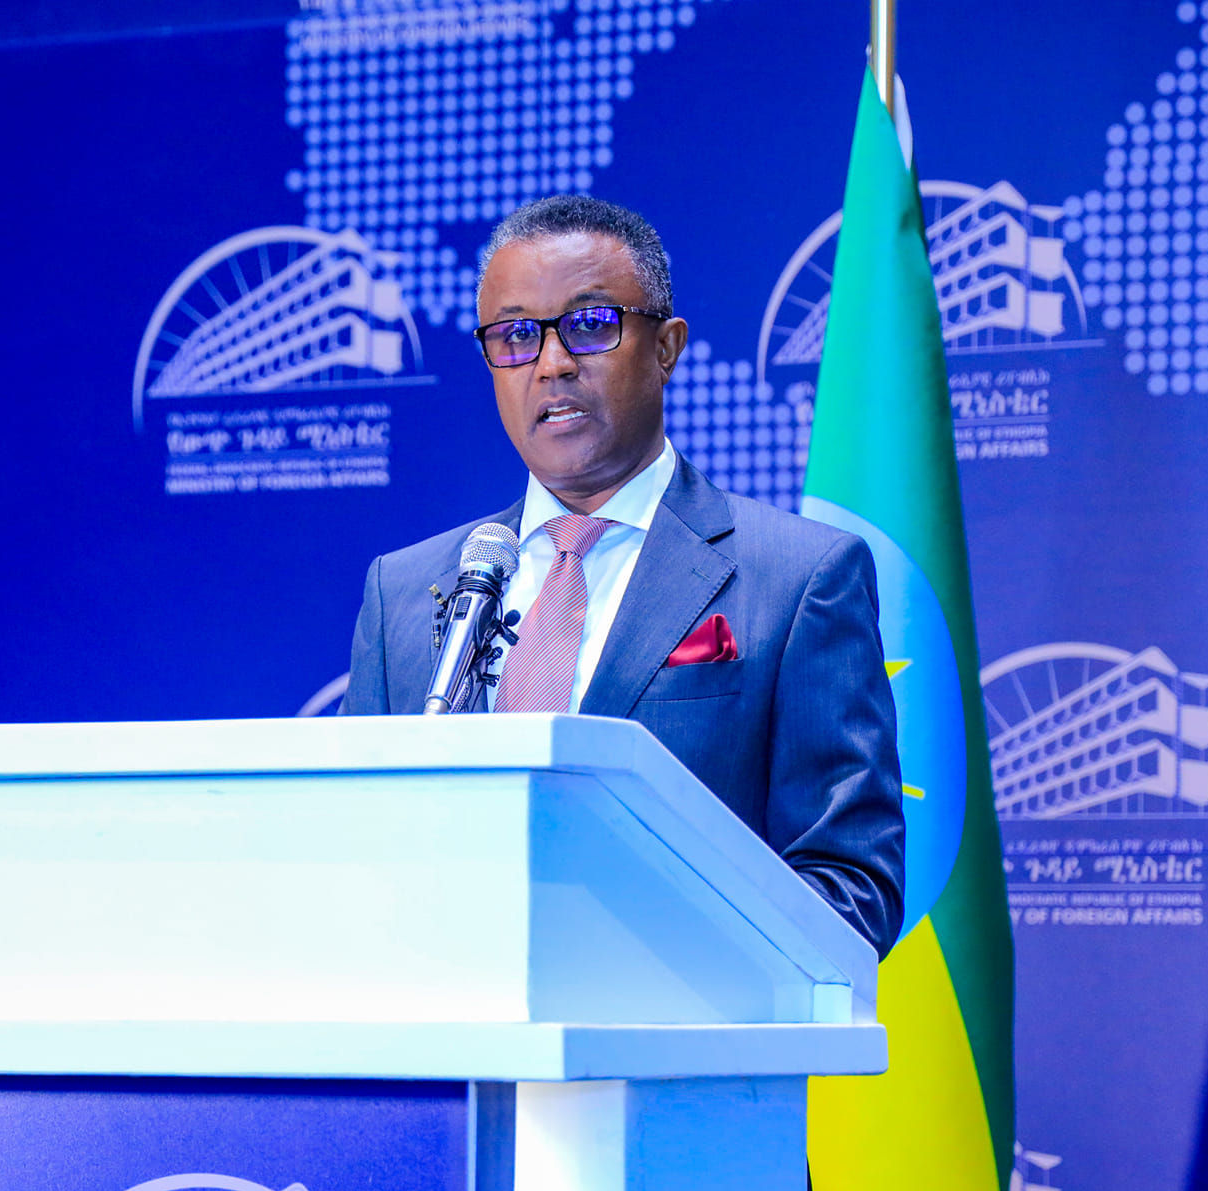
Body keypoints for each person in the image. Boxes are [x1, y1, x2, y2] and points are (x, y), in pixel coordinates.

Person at [342, 195, 905, 957]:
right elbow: (354, 855)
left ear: (667, 347)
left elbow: (849, 891)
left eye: (589, 325)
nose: (552, 363)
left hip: (673, 1026)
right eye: (515, 336)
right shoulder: (404, 593)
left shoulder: (798, 578)